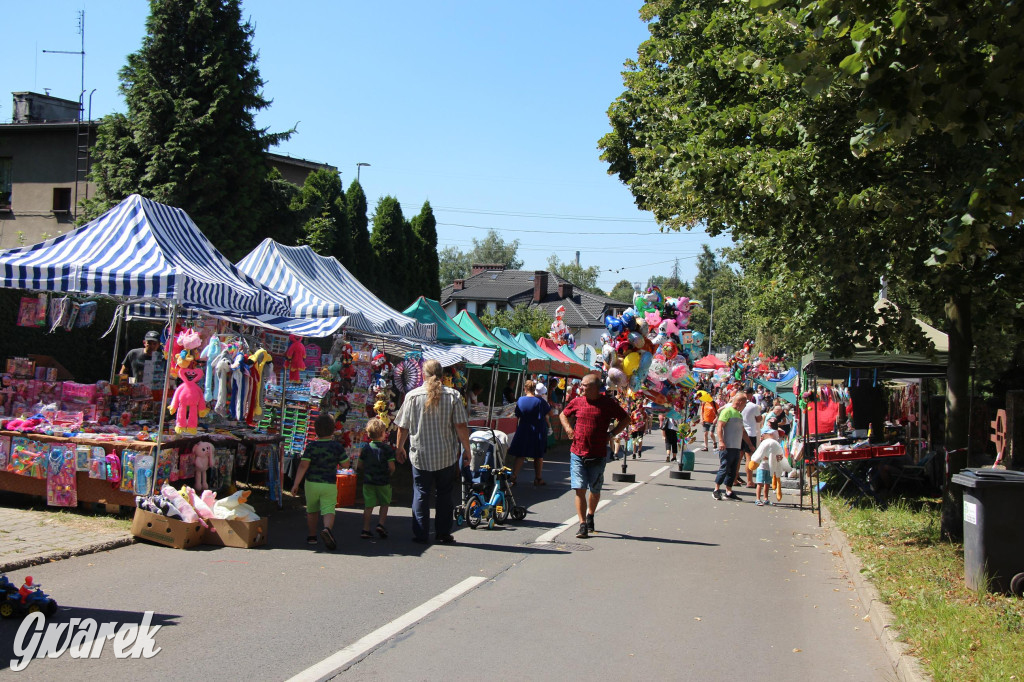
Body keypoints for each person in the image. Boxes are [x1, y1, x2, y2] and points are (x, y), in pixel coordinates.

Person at [395, 359, 472, 545]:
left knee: (421, 493)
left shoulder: (412, 396)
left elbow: (402, 427)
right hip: (446, 455)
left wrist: (399, 448)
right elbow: (461, 427)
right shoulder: (453, 396)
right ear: (442, 374)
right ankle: (443, 533)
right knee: (444, 494)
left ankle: (421, 533)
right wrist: (466, 450)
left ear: (423, 374)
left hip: (420, 454)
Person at [560, 372, 629, 539]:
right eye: (581, 385)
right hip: (577, 452)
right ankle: (582, 524)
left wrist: (612, 433)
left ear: (595, 388)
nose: (581, 387)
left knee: (595, 491)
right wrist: (568, 428)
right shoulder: (577, 401)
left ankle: (591, 515)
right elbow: (563, 414)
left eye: (584, 385)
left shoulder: (607, 403)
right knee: (579, 489)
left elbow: (626, 419)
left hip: (597, 454)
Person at [290, 413, 348, 549]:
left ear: (315, 430)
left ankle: (311, 536)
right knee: (328, 509)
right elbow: (346, 464)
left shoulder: (311, 446)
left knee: (312, 510)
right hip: (329, 484)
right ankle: (327, 529)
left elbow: (303, 465)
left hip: (311, 483)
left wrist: (296, 483)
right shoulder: (337, 447)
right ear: (333, 429)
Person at [358, 418, 396, 539]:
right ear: (382, 433)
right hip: (383, 481)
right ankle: (381, 524)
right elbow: (392, 467)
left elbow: (359, 465)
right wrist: (390, 473)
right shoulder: (387, 449)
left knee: (368, 506)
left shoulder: (366, 448)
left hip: (369, 480)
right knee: (385, 503)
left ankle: (365, 528)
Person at [713, 392, 755, 501]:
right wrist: (721, 441)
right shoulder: (727, 411)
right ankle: (716, 490)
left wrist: (750, 445)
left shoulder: (739, 414)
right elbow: (720, 426)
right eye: (744, 404)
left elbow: (743, 431)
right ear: (740, 402)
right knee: (725, 467)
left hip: (736, 446)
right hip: (727, 445)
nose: (745, 406)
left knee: (733, 470)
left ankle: (729, 491)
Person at [509, 379, 552, 486]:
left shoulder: (520, 400)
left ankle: (513, 476)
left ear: (525, 388)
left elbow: (517, 414)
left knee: (520, 454)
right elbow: (550, 413)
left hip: (523, 428)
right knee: (538, 455)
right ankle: (538, 478)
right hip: (538, 430)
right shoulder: (540, 401)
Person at [750, 426, 785, 506]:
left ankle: (766, 498)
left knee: (767, 483)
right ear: (764, 435)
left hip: (769, 467)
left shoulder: (773, 444)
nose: (772, 435)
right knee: (760, 483)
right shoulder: (763, 444)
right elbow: (760, 455)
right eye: (770, 434)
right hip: (762, 467)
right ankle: (758, 499)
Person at [738, 388, 763, 488]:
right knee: (749, 457)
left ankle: (735, 478)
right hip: (750, 433)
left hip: (740, 432)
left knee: (738, 457)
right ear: (751, 395)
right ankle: (749, 481)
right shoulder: (754, 406)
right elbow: (758, 419)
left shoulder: (737, 404)